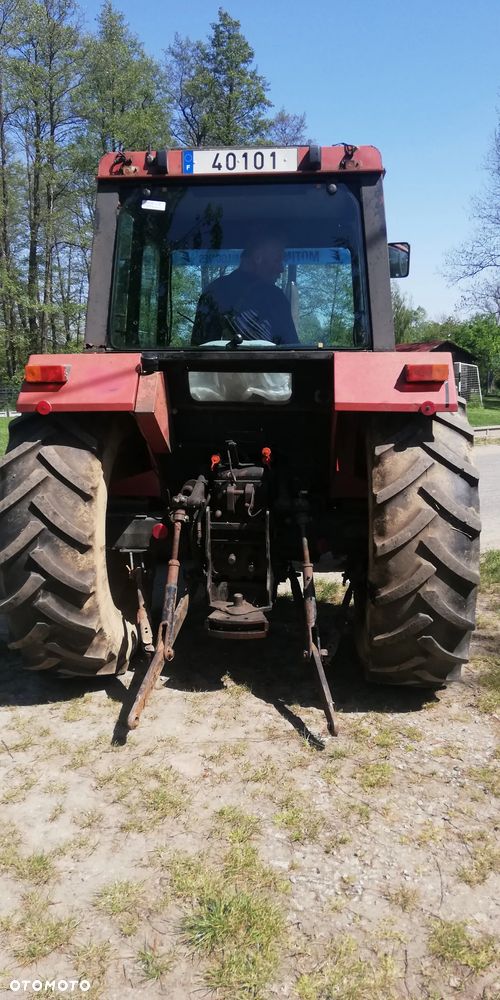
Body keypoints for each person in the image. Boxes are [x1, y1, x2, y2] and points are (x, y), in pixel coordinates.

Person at [191, 231, 299, 346]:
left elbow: (197, 351)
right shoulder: (276, 298)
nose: (281, 269)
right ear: (258, 258)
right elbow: (293, 351)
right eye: (277, 260)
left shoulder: (213, 292)